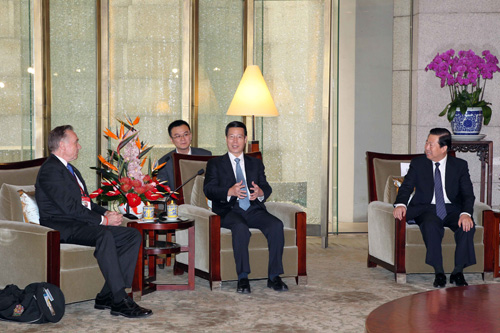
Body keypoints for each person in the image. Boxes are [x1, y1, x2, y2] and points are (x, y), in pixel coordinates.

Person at [35, 125, 152, 318]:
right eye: (76, 142)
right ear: (63, 145)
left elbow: (86, 203)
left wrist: (107, 213)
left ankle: (107, 296)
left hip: (79, 224)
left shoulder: (71, 170)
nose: (79, 146)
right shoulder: (50, 171)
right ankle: (120, 299)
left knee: (131, 235)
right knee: (104, 234)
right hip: (61, 228)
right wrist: (103, 221)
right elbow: (69, 209)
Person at [203, 121, 287, 294]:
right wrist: (229, 191)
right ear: (226, 139)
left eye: (239, 137)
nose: (235, 141)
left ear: (245, 139)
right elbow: (209, 189)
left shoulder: (255, 163)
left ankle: (274, 276)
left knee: (276, 225)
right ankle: (242, 277)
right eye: (231, 136)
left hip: (253, 208)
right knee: (240, 228)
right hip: (228, 210)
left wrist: (260, 192)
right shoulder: (215, 163)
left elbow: (266, 186)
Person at [393, 128, 476, 288]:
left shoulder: (460, 166)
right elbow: (406, 187)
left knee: (467, 227)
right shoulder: (418, 164)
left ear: (444, 148)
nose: (426, 147)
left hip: (452, 209)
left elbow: (468, 194)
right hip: (426, 209)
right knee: (431, 225)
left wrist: (466, 214)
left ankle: (458, 272)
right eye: (426, 143)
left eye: (431, 144)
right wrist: (401, 204)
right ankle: (439, 272)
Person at [157, 120, 211, 189]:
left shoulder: (205, 155)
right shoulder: (164, 162)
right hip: (176, 199)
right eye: (178, 136)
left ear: (190, 136)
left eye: (185, 134)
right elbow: (164, 190)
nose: (182, 139)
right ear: (171, 140)